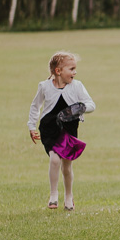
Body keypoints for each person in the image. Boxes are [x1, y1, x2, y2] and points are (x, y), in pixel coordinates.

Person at [28, 51, 96, 211]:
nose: (75, 72)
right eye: (71, 69)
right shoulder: (44, 86)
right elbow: (35, 106)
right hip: (49, 128)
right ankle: (53, 195)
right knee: (54, 160)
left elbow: (91, 105)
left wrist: (80, 108)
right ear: (58, 71)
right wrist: (31, 126)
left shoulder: (77, 86)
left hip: (68, 129)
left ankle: (68, 196)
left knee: (66, 166)